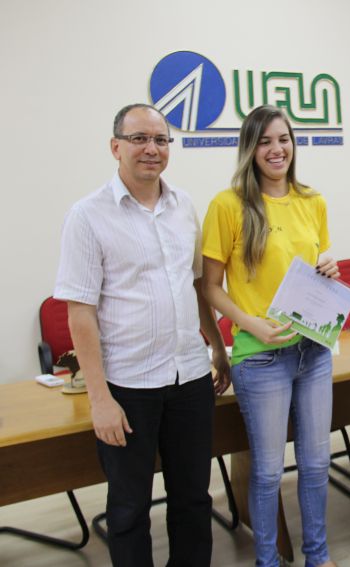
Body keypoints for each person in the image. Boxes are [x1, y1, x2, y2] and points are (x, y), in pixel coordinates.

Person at [55, 103, 231, 566]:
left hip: (189, 376)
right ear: (115, 147)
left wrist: (216, 348)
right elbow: (80, 312)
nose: (151, 149)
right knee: (129, 507)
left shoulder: (183, 206)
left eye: (160, 140)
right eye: (139, 139)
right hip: (129, 386)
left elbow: (197, 286)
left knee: (193, 498)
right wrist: (99, 400)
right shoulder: (87, 215)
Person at [201, 105, 338, 567]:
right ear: (250, 149)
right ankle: (268, 561)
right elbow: (209, 287)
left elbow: (314, 267)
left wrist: (328, 268)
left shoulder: (312, 200)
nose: (276, 150)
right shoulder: (228, 205)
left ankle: (317, 556)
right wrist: (251, 323)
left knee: (316, 463)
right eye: (265, 142)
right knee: (267, 471)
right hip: (260, 357)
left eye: (283, 139)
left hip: (313, 351)